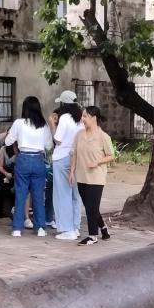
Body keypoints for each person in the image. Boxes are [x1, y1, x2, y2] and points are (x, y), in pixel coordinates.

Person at [4, 95, 53, 236]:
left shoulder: (19, 123)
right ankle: (41, 228)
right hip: (38, 160)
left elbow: (7, 142)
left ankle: (17, 229)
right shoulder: (43, 125)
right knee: (38, 195)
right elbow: (49, 146)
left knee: (21, 195)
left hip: (23, 159)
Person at [70, 105, 115, 245]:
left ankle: (92, 236)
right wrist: (72, 171)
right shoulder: (79, 135)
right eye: (82, 116)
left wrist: (97, 162)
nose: (82, 119)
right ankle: (103, 228)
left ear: (94, 118)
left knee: (91, 208)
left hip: (96, 177)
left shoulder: (103, 137)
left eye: (85, 116)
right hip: (81, 176)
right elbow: (75, 154)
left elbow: (111, 155)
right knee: (91, 207)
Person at [51, 92, 84, 240]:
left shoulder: (64, 117)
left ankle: (66, 229)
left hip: (62, 157)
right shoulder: (80, 118)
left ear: (63, 104)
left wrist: (53, 124)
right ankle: (75, 227)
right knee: (74, 195)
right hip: (76, 157)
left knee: (62, 194)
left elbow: (58, 140)